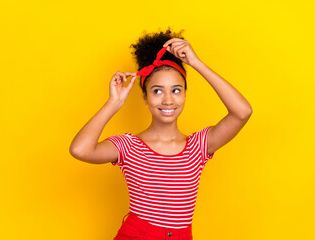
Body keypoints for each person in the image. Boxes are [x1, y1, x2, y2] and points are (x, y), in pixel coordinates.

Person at [69, 29, 252, 240]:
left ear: (185, 94)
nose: (168, 100)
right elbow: (80, 149)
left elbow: (242, 112)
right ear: (145, 97)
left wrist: (196, 63)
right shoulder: (128, 146)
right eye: (157, 91)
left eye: (176, 90)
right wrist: (114, 103)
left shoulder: (199, 146)